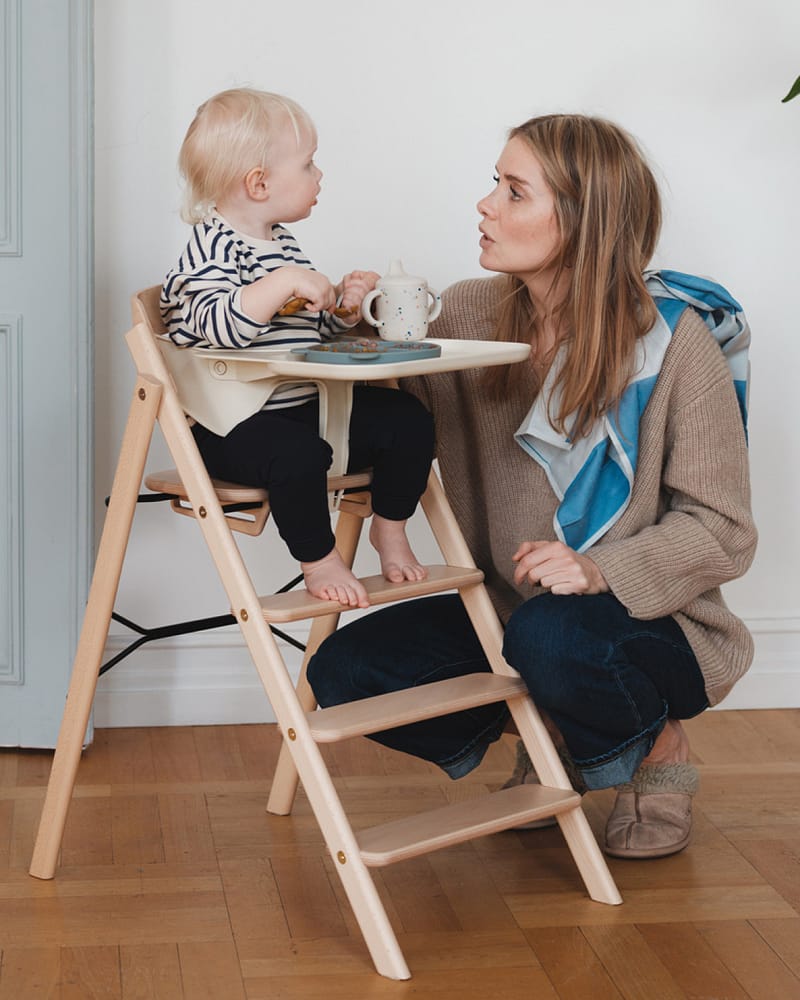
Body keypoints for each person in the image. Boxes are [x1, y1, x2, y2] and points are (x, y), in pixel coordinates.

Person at [307, 113, 757, 859]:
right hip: (507, 613)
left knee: (552, 633)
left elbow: (723, 529)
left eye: (513, 191)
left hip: (646, 622)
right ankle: (553, 733)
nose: (485, 205)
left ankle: (658, 753)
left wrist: (598, 568)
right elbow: (387, 430)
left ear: (582, 220)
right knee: (346, 670)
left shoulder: (676, 344)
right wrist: (352, 330)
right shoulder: (469, 313)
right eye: (495, 184)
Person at [161, 88, 434, 607]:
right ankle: (318, 557)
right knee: (298, 455)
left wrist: (345, 311)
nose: (320, 175)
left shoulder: (282, 241)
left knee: (407, 418)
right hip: (233, 428)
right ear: (259, 183)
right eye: (308, 163)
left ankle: (391, 527)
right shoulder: (209, 249)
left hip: (308, 409)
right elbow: (220, 327)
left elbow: (307, 334)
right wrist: (283, 281)